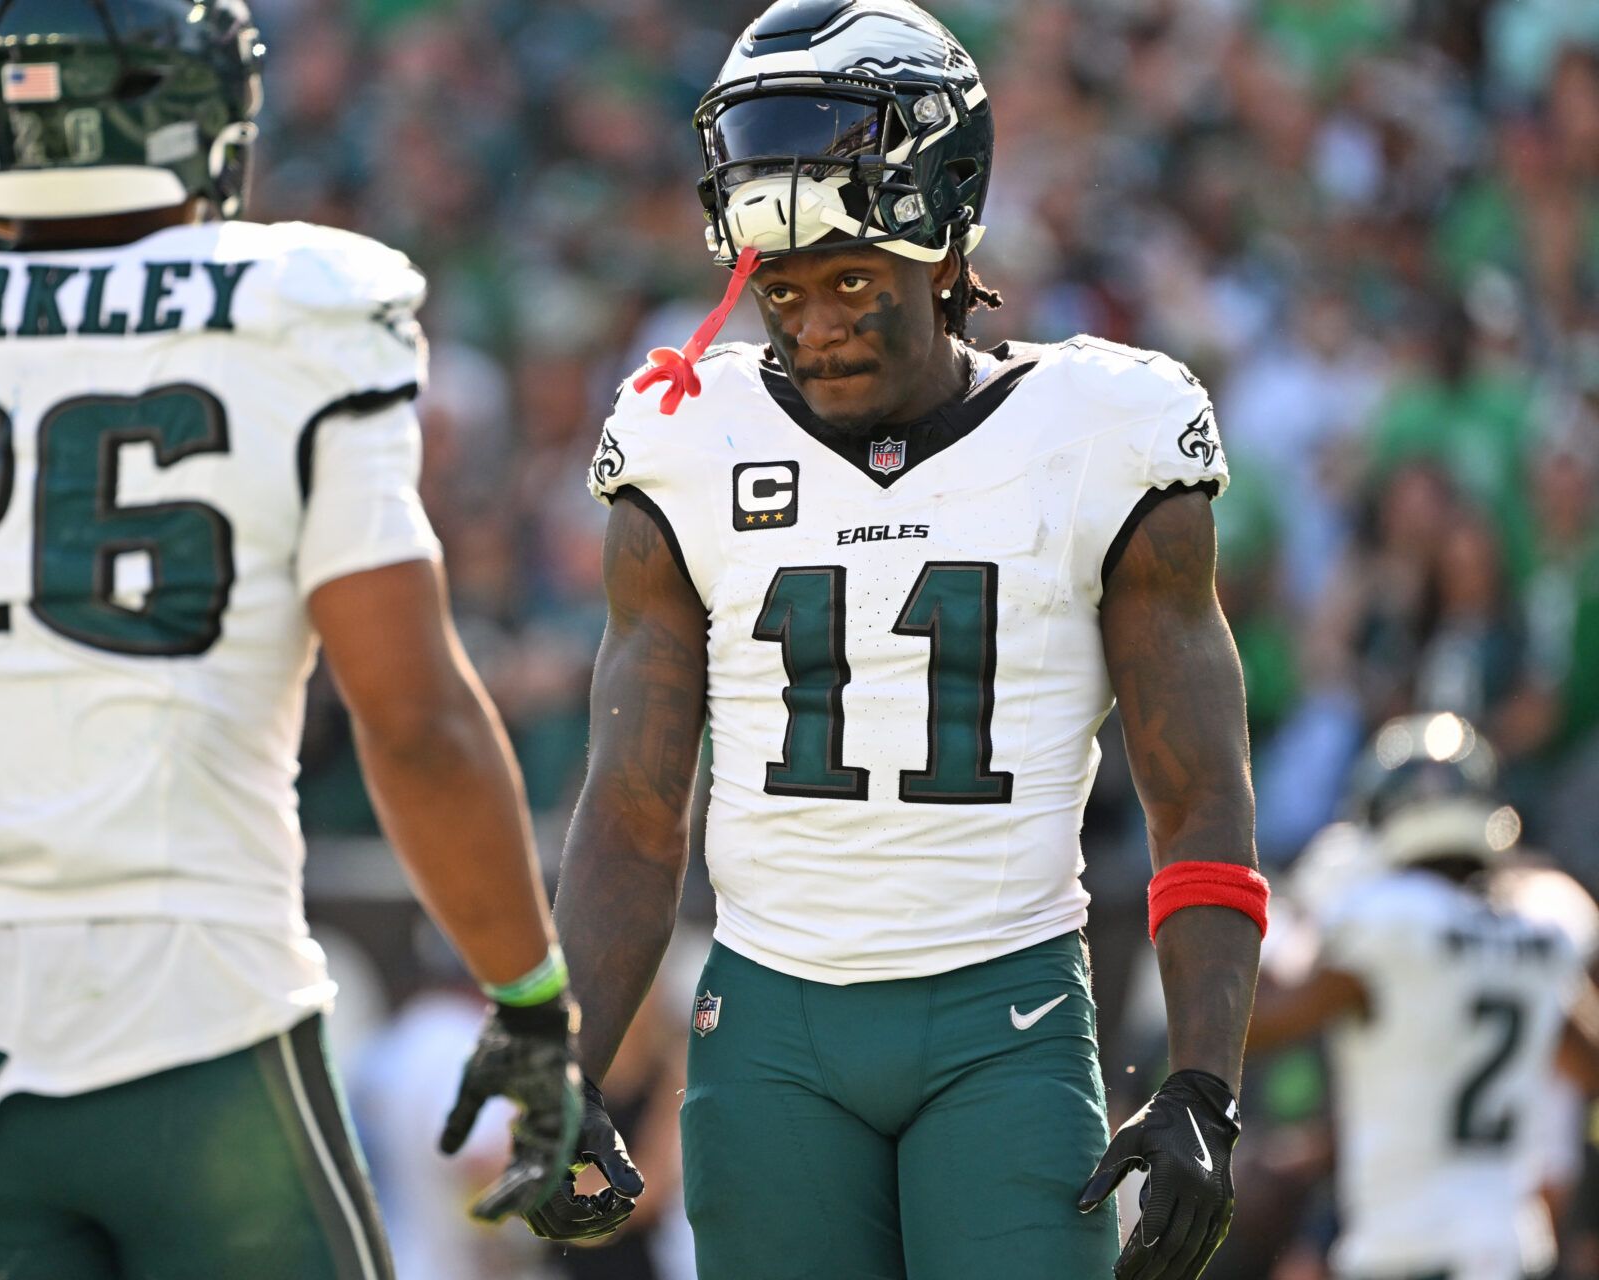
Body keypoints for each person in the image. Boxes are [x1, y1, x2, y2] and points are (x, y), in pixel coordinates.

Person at [0, 2, 583, 1276]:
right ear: (199, 113)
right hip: (204, 1026)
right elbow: (418, 722)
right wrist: (531, 998)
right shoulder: (304, 304)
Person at [531, 3, 1267, 1278]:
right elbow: (637, 806)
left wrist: (1205, 1076)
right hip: (769, 1025)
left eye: (854, 279)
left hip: (1009, 1014)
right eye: (782, 287)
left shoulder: (1103, 428)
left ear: (947, 250)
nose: (813, 323)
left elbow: (1198, 792)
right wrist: (573, 1066)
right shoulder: (683, 438)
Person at [1248, 712, 1599, 1280]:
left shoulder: (1387, 925)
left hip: (1411, 1250)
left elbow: (1254, 1023)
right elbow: (1590, 1065)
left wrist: (1303, 917)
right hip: (1512, 1250)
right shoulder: (1537, 935)